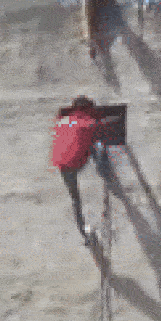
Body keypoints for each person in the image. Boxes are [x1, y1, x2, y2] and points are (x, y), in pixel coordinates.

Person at [51, 96, 120, 247]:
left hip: (62, 164)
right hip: (77, 161)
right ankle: (105, 172)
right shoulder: (88, 122)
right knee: (97, 145)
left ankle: (84, 232)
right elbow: (108, 123)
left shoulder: (64, 119)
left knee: (75, 199)